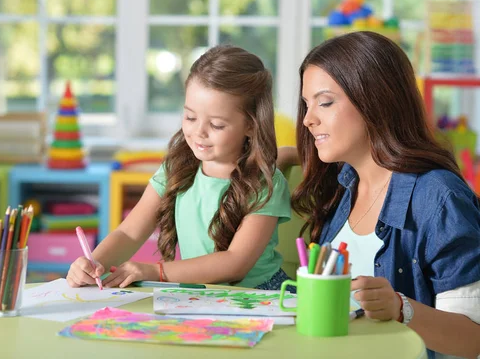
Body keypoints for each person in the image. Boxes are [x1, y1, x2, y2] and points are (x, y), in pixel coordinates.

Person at [278, 31, 480, 359]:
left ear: (374, 100)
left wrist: (402, 309)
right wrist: (285, 155)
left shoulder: (440, 198)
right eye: (306, 104)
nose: (308, 119)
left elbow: (473, 339)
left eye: (325, 102)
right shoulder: (345, 186)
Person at [67, 45, 292, 290]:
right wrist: (94, 263)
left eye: (216, 125)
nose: (199, 132)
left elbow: (235, 262)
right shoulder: (177, 168)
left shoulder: (265, 184)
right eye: (190, 117)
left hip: (260, 296)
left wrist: (155, 271)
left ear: (251, 125)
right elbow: (130, 233)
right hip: (201, 293)